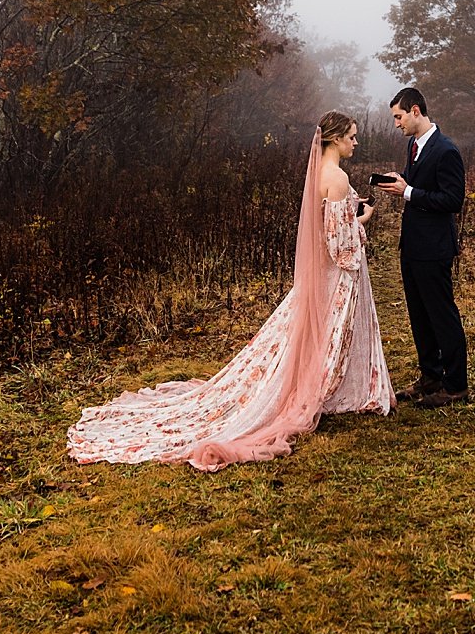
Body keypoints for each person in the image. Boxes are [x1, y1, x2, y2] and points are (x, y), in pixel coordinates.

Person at [66, 112, 393, 471]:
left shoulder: (317, 174)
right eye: (352, 136)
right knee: (329, 335)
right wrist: (363, 222)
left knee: (305, 335)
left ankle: (321, 386)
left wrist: (349, 215)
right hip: (336, 276)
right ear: (334, 139)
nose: (356, 142)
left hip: (319, 274)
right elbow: (338, 245)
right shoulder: (339, 177)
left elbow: (322, 227)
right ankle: (330, 390)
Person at [380, 87, 469, 407]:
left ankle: (456, 385)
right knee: (419, 315)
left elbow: (452, 200)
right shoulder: (413, 145)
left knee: (442, 315)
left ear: (415, 111)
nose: (396, 124)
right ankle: (430, 376)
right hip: (413, 245)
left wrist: (408, 193)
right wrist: (400, 181)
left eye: (398, 117)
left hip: (435, 247)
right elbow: (419, 183)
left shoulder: (446, 151)